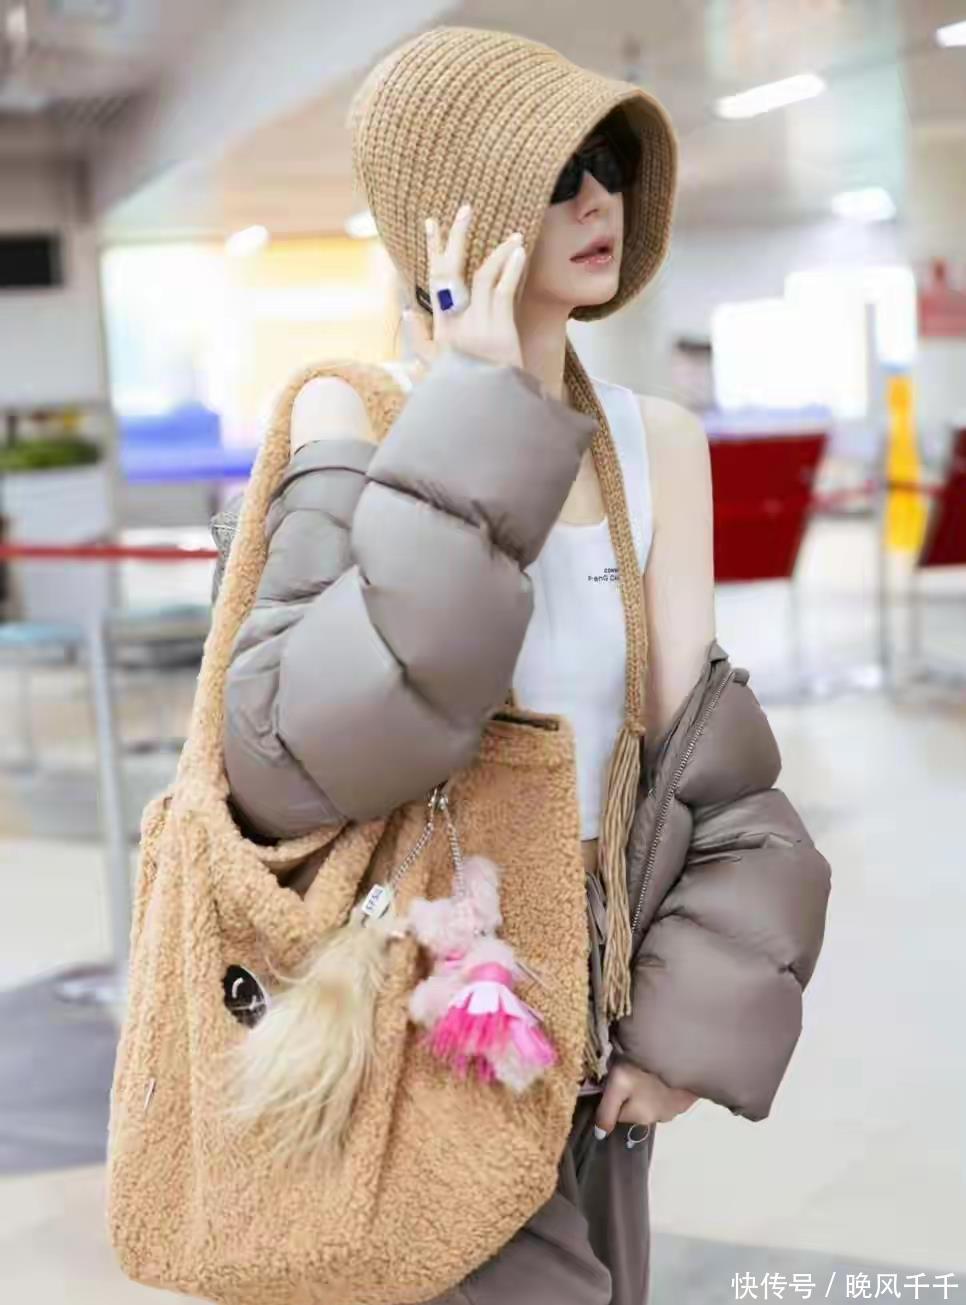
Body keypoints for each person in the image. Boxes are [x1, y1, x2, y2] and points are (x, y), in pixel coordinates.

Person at [210, 26, 831, 1305]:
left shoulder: (658, 445)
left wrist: (684, 1031)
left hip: (590, 1017)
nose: (600, 199)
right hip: (410, 1006)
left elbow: (707, 772)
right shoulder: (350, 413)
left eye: (611, 166)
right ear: (455, 207)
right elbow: (288, 762)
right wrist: (475, 417)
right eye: (557, 174)